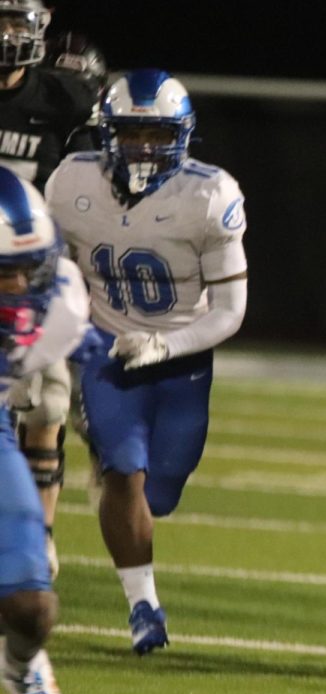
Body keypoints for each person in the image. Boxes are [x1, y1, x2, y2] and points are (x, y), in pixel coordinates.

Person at [44, 68, 249, 655]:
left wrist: (164, 345)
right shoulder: (72, 183)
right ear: (106, 133)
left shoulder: (209, 195)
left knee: (160, 492)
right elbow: (51, 271)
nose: (143, 147)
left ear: (181, 136)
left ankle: (132, 506)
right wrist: (71, 329)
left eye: (158, 133)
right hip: (109, 352)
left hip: (181, 358)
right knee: (123, 473)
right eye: (132, 133)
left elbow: (230, 311)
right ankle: (143, 606)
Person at [0, 0, 103, 578]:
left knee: (47, 406)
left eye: (17, 22)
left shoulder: (65, 99)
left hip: (28, 277)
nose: (9, 35)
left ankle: (37, 536)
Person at [0, 165, 90, 694]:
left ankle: (21, 668)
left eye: (27, 271)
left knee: (32, 609)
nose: (23, 288)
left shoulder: (62, 301)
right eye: (5, 277)